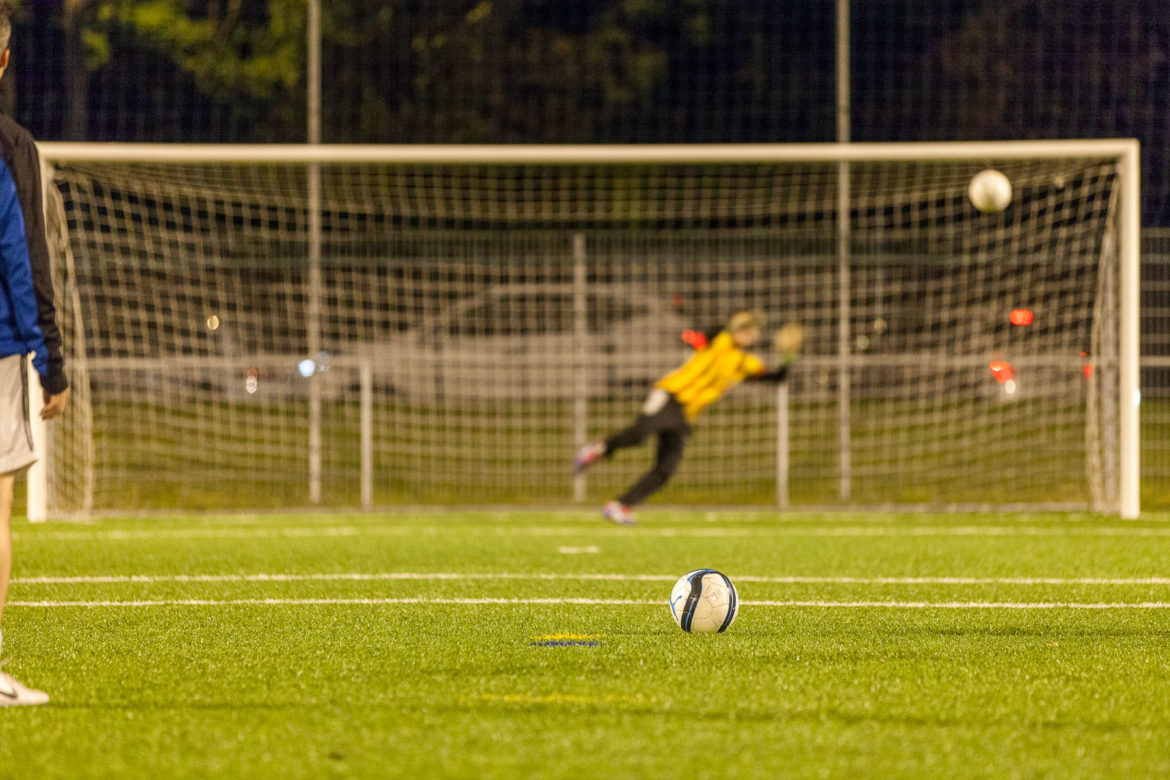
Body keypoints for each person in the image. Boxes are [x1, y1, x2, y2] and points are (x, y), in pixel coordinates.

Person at [0, 0, 69, 707]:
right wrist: (52, 359)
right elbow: (23, 261)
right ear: (4, 59)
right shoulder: (12, 146)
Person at [574, 310, 798, 525]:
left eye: (751, 331)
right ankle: (600, 448)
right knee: (638, 435)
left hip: (685, 414)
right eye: (744, 329)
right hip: (670, 395)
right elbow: (707, 332)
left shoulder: (745, 362)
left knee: (666, 468)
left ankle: (620, 506)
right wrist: (737, 323)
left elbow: (777, 377)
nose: (748, 334)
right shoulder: (720, 340)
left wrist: (788, 355)